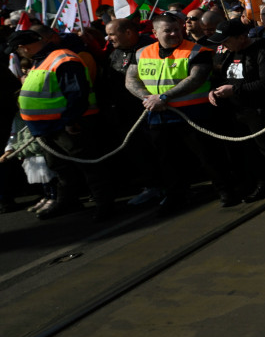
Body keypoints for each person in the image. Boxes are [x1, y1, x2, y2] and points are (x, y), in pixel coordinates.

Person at [126, 13, 240, 210]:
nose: (174, 34)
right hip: (159, 116)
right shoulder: (141, 53)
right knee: (167, 160)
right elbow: (130, 80)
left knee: (208, 156)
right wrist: (148, 99)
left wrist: (163, 97)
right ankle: (176, 197)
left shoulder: (197, 51)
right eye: (168, 31)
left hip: (194, 115)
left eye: (177, 30)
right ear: (155, 33)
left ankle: (226, 191)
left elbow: (196, 79)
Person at [11, 28, 115, 221]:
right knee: (59, 167)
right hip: (49, 127)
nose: (19, 55)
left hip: (66, 126)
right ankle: (69, 201)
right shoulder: (42, 60)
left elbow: (77, 93)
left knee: (88, 165)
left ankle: (105, 204)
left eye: (17, 51)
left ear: (23, 47)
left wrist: (71, 120)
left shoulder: (62, 58)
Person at [207, 18, 265, 203]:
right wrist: (214, 90)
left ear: (241, 37)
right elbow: (223, 77)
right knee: (250, 150)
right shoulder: (229, 53)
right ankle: (263, 183)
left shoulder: (263, 50)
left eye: (227, 40)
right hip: (239, 111)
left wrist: (235, 90)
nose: (224, 45)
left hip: (262, 110)